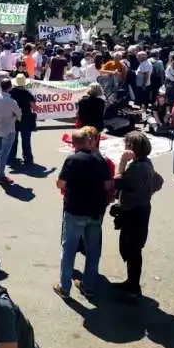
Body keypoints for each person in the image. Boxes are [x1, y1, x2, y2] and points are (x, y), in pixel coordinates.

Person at [53, 128, 113, 299]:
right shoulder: (99, 159)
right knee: (93, 250)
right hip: (95, 211)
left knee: (69, 248)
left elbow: (61, 183)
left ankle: (64, 287)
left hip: (75, 210)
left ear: (73, 144)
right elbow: (108, 185)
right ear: (88, 142)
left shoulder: (72, 160)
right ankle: (89, 286)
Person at [112, 132, 164, 300]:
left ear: (132, 148)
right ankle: (131, 282)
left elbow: (118, 183)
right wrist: (145, 191)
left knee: (132, 248)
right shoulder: (146, 163)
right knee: (131, 248)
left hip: (134, 211)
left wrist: (122, 162)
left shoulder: (137, 168)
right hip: (141, 208)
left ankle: (133, 288)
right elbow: (158, 182)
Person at [0, 78, 21, 185]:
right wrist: (14, 117)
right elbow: (19, 115)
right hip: (9, 129)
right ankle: (0, 175)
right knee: (4, 153)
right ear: (10, 87)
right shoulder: (12, 101)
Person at [8, 73, 36, 164]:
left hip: (13, 118)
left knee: (13, 139)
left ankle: (11, 157)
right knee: (26, 139)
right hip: (25, 118)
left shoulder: (11, 92)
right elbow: (33, 106)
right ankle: (28, 158)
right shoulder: (27, 93)